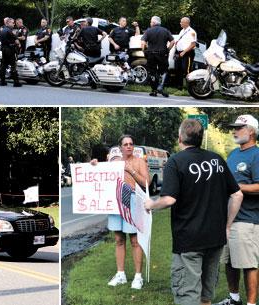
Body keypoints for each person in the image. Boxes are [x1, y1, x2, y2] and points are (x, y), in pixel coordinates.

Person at [144, 119, 243, 305]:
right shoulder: (217, 160)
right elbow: (237, 195)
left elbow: (169, 199)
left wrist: (150, 204)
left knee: (188, 295)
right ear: (200, 137)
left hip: (189, 240)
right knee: (206, 295)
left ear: (180, 137)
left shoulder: (176, 161)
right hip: (215, 238)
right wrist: (227, 226)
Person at [215, 114, 259, 305]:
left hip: (247, 220)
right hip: (228, 220)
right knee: (230, 261)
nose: (234, 131)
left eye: (238, 128)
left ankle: (250, 303)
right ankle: (234, 299)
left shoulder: (256, 155)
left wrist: (235, 187)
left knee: (249, 264)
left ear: (251, 131)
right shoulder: (233, 154)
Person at [98, 135, 149, 289]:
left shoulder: (139, 162)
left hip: (133, 201)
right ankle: (121, 274)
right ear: (120, 147)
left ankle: (138, 277)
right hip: (116, 202)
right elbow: (101, 175)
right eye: (125, 144)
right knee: (119, 239)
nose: (128, 146)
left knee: (135, 240)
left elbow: (147, 183)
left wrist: (131, 170)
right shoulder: (114, 162)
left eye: (131, 144)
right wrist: (94, 165)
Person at [141, 16, 175, 98]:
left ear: (153, 22)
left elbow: (143, 43)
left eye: (151, 22)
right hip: (162, 54)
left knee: (152, 72)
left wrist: (144, 51)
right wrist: (168, 50)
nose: (150, 23)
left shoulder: (148, 31)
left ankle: (154, 90)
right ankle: (160, 86)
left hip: (151, 54)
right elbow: (173, 42)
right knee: (163, 71)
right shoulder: (165, 30)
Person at [174, 17, 197, 90]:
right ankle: (179, 87)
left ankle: (190, 87)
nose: (180, 23)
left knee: (186, 70)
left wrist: (184, 52)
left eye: (181, 22)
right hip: (180, 53)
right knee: (178, 69)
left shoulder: (192, 32)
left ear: (186, 23)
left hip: (187, 53)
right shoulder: (182, 31)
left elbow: (193, 44)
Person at [0, 18, 22, 87]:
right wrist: (18, 45)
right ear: (8, 23)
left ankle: (2, 81)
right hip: (10, 50)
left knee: (3, 65)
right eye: (12, 23)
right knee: (13, 65)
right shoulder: (9, 31)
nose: (14, 24)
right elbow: (16, 40)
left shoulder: (3, 30)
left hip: (4, 49)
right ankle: (16, 82)